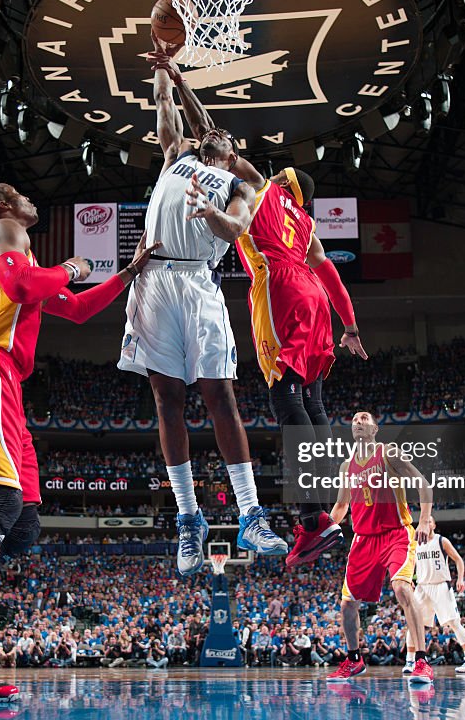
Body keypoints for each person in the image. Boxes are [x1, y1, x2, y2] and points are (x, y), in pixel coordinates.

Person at [0, 182, 159, 700]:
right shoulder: (2, 232)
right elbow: (22, 289)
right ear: (2, 205)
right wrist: (73, 267)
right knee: (2, 499)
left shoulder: (23, 253)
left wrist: (126, 273)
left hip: (8, 382)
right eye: (18, 193)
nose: (29, 200)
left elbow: (77, 310)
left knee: (24, 524)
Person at [150, 50, 367, 569]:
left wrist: (175, 83)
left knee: (283, 398)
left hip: (280, 290)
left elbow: (221, 159)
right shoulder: (305, 222)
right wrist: (350, 324)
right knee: (312, 403)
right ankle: (327, 511)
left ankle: (312, 521)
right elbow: (330, 272)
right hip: (314, 298)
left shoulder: (257, 187)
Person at [116, 40, 287, 577]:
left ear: (232, 152)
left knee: (219, 396)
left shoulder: (242, 183)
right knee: (166, 399)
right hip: (152, 279)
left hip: (197, 283)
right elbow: (167, 109)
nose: (209, 134)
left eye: (222, 137)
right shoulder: (175, 155)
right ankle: (189, 521)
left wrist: (210, 211)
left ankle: (250, 513)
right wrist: (166, 73)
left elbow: (234, 229)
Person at [325, 411, 434, 684]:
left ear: (375, 429)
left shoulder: (389, 454)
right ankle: (354, 660)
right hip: (363, 538)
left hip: (396, 533)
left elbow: (423, 483)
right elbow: (341, 507)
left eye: (364, 419)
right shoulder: (346, 466)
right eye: (354, 420)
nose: (359, 422)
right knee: (347, 605)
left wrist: (423, 520)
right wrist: (322, 529)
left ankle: (421, 660)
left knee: (401, 588)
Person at [405, 515, 465, 674]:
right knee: (413, 624)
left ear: (434, 525)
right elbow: (410, 562)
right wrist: (409, 577)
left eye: (429, 521)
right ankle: (410, 661)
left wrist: (460, 579)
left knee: (454, 623)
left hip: (440, 586)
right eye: (424, 522)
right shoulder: (415, 543)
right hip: (422, 587)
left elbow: (458, 560)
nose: (426, 524)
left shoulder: (441, 541)